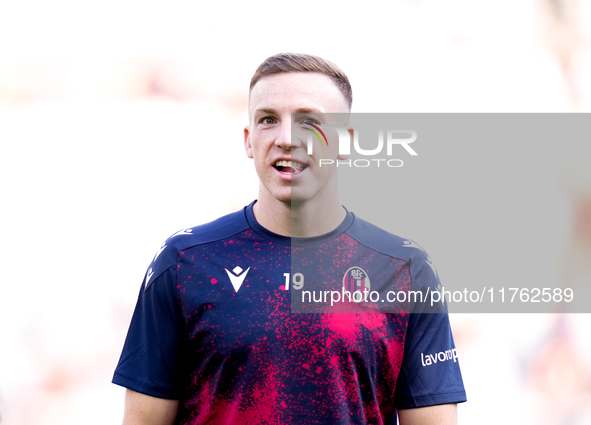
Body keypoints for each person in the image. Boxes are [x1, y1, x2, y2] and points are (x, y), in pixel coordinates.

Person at [113, 53, 467, 425]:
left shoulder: (404, 269)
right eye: (268, 120)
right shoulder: (184, 262)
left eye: (309, 121)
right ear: (249, 140)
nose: (286, 139)